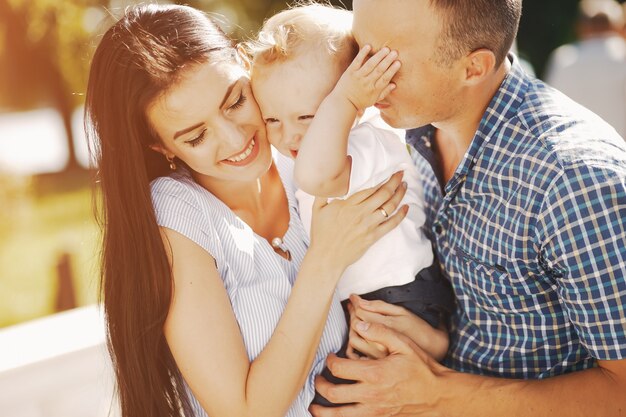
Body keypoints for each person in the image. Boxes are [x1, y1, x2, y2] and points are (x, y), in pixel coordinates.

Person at [84, 4, 410, 417]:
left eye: (235, 100)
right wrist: (324, 260)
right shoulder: (177, 215)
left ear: (244, 61)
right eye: (197, 136)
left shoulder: (306, 153)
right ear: (161, 147)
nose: (236, 139)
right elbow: (244, 410)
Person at [310, 1, 626, 416]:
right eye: (359, 47)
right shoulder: (402, 130)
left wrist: (436, 392)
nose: (359, 76)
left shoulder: (575, 181)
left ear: (473, 68)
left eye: (387, 57)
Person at [246, 3, 455, 407]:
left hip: (399, 297)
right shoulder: (323, 143)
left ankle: (437, 343)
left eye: (308, 115)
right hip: (375, 300)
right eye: (272, 120)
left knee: (341, 401)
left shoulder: (364, 142)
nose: (287, 135)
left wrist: (345, 101)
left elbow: (314, 177)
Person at [545, 0, 626, 138]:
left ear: (581, 26)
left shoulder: (564, 58)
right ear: (616, 25)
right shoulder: (622, 55)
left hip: (577, 148)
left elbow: (549, 108)